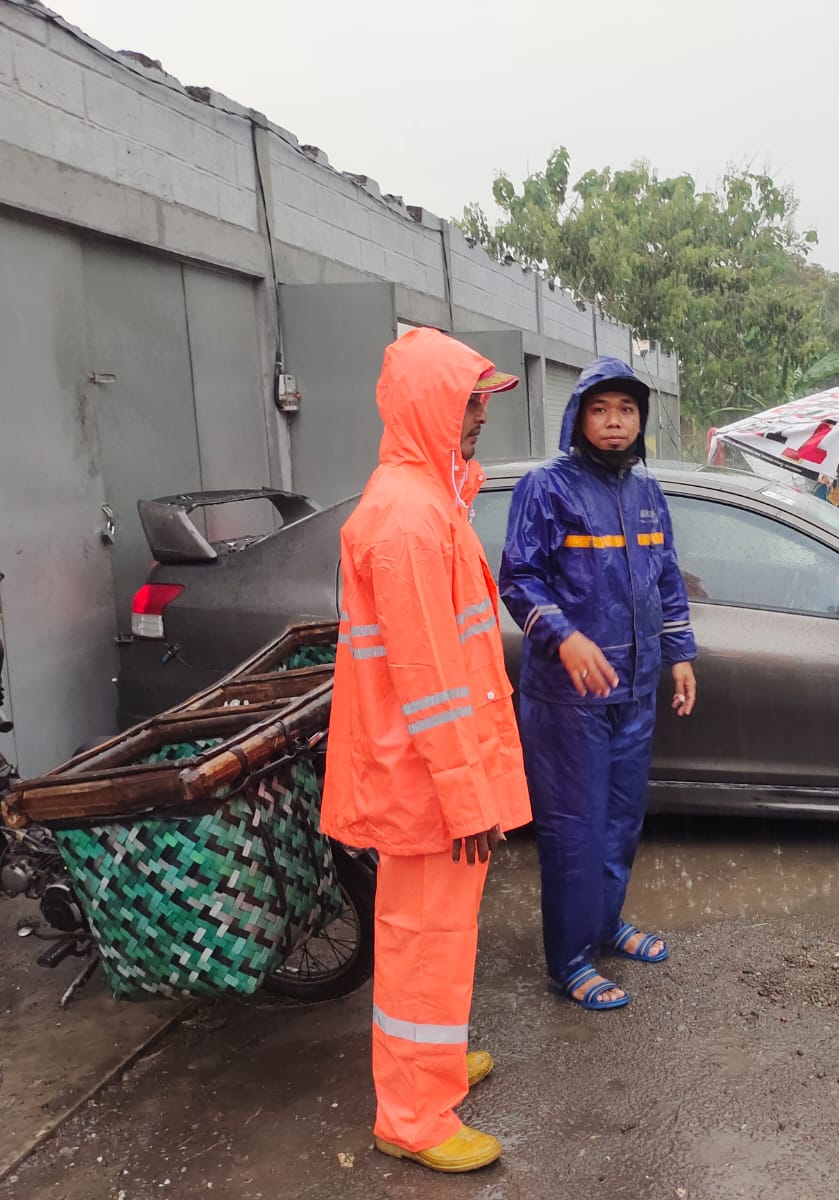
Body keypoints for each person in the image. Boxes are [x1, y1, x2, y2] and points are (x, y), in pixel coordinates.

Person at [321, 328, 531, 1174]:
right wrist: (467, 796)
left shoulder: (424, 500)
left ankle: (432, 1069)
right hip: (430, 783)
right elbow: (428, 678)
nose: (480, 415)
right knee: (420, 938)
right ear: (428, 407)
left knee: (439, 934)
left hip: (434, 775)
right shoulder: (408, 519)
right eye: (468, 400)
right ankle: (411, 1116)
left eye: (483, 400)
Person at [498, 357, 698, 1010]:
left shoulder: (647, 494)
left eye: (627, 411)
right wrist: (565, 635)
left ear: (640, 422)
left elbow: (666, 578)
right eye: (600, 410)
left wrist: (680, 656)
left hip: (635, 692)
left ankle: (605, 925)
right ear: (578, 417)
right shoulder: (545, 488)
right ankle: (568, 959)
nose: (614, 423)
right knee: (573, 832)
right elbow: (518, 578)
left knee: (619, 824)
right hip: (568, 698)